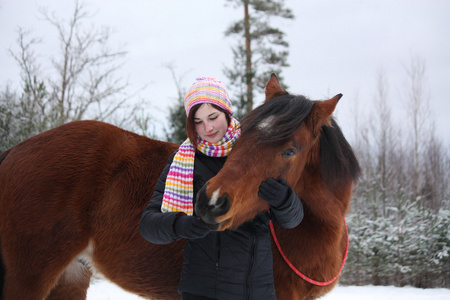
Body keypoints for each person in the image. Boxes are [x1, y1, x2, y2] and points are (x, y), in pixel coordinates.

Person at [140, 77, 303, 300]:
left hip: (258, 291)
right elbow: (148, 224)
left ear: (227, 112)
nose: (207, 128)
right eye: (197, 121)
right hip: (204, 292)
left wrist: (285, 200)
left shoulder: (257, 152)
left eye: (213, 117)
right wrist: (179, 224)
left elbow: (292, 221)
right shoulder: (184, 161)